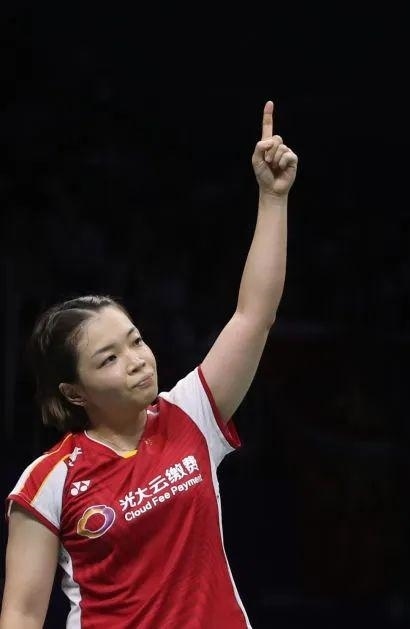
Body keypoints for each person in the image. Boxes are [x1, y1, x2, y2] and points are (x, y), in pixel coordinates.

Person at [0, 100, 297, 628]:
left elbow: (254, 316)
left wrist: (273, 199)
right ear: (74, 391)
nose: (137, 361)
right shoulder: (48, 481)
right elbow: (21, 613)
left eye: (135, 341)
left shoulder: (191, 415)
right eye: (109, 359)